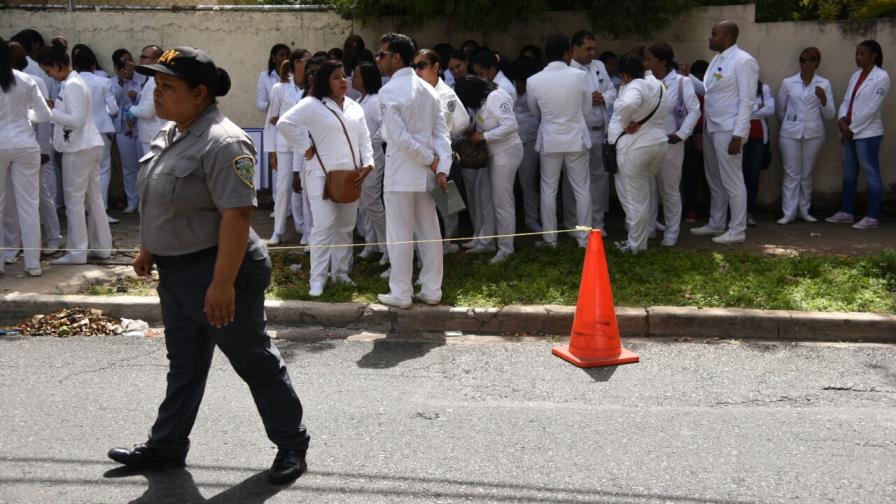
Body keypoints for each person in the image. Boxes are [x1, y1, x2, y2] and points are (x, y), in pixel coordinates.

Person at [106, 47, 309, 484]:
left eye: (168, 86)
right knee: (184, 364)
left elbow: (237, 215)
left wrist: (222, 283)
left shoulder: (223, 141)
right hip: (177, 274)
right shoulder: (172, 132)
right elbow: (160, 197)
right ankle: (167, 445)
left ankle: (292, 444)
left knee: (253, 360)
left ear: (199, 93)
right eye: (156, 85)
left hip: (220, 270)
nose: (157, 94)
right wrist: (148, 247)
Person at [277, 60, 373, 297]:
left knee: (345, 227)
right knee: (323, 226)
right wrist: (304, 146)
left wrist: (368, 163)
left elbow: (364, 138)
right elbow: (284, 123)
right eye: (336, 77)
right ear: (325, 81)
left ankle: (341, 274)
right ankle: (317, 280)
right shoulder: (312, 104)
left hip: (351, 176)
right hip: (320, 175)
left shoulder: (355, 107)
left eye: (344, 76)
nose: (343, 81)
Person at [374, 32, 452, 309]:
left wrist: (432, 161)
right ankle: (431, 290)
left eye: (381, 54)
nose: (378, 59)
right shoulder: (429, 89)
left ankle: (401, 292)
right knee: (430, 233)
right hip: (427, 175)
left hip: (402, 174)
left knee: (400, 235)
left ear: (396, 58)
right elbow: (442, 135)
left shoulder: (389, 91)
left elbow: (399, 138)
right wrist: (441, 167)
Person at [38, 39, 113, 265]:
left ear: (57, 64)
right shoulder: (73, 82)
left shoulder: (73, 84)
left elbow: (77, 120)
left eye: (48, 70)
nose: (49, 75)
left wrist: (50, 112)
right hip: (86, 145)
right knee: (93, 199)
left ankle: (77, 252)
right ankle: (101, 247)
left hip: (80, 148)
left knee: (74, 201)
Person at [691, 20, 758, 245]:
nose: (710, 38)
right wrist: (687, 77)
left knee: (733, 180)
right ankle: (717, 223)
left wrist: (739, 135)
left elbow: (747, 100)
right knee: (715, 179)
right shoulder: (717, 59)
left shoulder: (744, 60)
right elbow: (708, 91)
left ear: (727, 37)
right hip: (711, 127)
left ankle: (737, 229)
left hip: (729, 130)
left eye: (714, 34)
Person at [526, 35, 592, 249]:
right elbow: (587, 109)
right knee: (581, 189)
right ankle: (584, 239)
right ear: (567, 53)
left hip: (550, 139)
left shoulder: (533, 80)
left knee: (548, 189)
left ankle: (550, 239)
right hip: (576, 138)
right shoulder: (580, 76)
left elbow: (534, 111)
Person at [0, 37, 53, 277]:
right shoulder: (25, 79)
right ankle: (33, 263)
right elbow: (45, 115)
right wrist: (24, 116)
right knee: (29, 206)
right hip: (25, 143)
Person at [455, 75, 522, 264]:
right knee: (483, 195)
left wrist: (484, 136)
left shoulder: (496, 96)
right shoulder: (483, 101)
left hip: (506, 152)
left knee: (502, 202)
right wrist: (474, 130)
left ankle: (506, 248)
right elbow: (483, 122)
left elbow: (511, 125)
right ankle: (486, 241)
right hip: (491, 154)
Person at [607, 53, 670, 254]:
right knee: (641, 197)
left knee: (633, 199)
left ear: (625, 75)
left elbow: (628, 104)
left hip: (636, 147)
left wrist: (625, 123)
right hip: (657, 142)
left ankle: (635, 246)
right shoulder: (658, 84)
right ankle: (638, 242)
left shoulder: (635, 85)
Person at [827, 40, 890, 230]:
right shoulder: (856, 75)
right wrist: (841, 120)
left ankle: (872, 217)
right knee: (849, 173)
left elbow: (872, 108)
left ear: (874, 56)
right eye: (857, 54)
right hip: (848, 130)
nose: (858, 57)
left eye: (862, 54)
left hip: (867, 133)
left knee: (871, 173)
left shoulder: (881, 77)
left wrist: (851, 129)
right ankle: (847, 212)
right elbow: (847, 100)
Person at [413, 49, 470, 255]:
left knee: (447, 203)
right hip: (420, 156)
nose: (417, 71)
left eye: (422, 66)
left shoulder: (446, 94)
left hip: (441, 155)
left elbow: (461, 122)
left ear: (436, 67)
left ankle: (448, 241)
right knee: (424, 205)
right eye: (414, 67)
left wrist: (444, 142)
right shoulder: (416, 91)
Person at [644, 43, 701, 247]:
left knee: (669, 189)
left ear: (662, 62)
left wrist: (682, 134)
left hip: (671, 142)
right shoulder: (646, 80)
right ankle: (649, 228)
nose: (646, 63)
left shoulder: (681, 82)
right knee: (648, 188)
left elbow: (695, 110)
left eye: (649, 59)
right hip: (647, 142)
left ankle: (671, 232)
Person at [776, 48, 835, 225]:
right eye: (803, 59)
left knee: (807, 173)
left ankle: (804, 210)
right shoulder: (788, 82)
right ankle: (789, 212)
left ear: (817, 63)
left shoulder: (824, 84)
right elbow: (780, 109)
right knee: (791, 173)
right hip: (790, 134)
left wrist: (823, 100)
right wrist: (790, 124)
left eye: (811, 60)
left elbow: (830, 114)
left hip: (814, 134)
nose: (807, 63)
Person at [567, 30, 616, 235]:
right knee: (575, 181)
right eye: (588, 49)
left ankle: (597, 223)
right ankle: (574, 224)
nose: (592, 53)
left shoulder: (599, 66)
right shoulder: (568, 71)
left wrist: (603, 98)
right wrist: (588, 100)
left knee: (599, 179)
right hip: (579, 132)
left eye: (594, 49)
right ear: (575, 49)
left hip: (600, 131)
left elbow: (612, 90)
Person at [73, 46, 119, 224]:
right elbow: (113, 109)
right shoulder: (103, 82)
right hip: (101, 129)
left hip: (79, 130)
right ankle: (101, 211)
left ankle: (84, 210)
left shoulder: (70, 82)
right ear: (93, 66)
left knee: (81, 171)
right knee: (103, 170)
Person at [266, 55, 305, 246]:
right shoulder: (279, 88)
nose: (305, 64)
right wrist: (271, 151)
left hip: (305, 143)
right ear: (294, 64)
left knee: (303, 188)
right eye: (302, 60)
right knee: (283, 187)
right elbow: (271, 119)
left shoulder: (310, 86)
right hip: (285, 144)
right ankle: (278, 231)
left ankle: (304, 229)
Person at [353, 61, 388, 262]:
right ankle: (371, 243)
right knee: (364, 204)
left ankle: (387, 248)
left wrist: (371, 143)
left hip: (373, 157)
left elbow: (385, 126)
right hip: (360, 159)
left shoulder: (375, 101)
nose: (353, 78)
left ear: (366, 78)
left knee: (373, 203)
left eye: (357, 75)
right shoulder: (359, 100)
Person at [509, 57, 542, 233]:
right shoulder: (507, 88)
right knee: (506, 185)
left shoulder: (535, 89)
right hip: (509, 141)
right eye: (519, 82)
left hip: (529, 140)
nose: (521, 86)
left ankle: (531, 220)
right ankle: (509, 223)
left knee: (528, 182)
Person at [111, 48, 142, 215]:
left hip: (140, 127)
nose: (127, 64)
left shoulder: (142, 78)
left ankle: (144, 202)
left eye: (129, 60)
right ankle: (132, 201)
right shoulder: (112, 82)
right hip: (123, 128)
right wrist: (121, 84)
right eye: (123, 62)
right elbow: (112, 104)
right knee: (128, 167)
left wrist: (136, 95)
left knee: (144, 165)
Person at [130, 45, 165, 193]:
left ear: (156, 60)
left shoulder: (155, 81)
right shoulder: (151, 79)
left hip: (153, 135)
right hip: (149, 135)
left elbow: (148, 111)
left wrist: (131, 110)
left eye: (144, 57)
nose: (140, 60)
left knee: (152, 177)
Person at [741, 80, 774, 227]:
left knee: (753, 175)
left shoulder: (763, 87)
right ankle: (737, 213)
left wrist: (746, 112)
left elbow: (770, 109)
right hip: (739, 136)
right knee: (739, 175)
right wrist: (757, 108)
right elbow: (733, 110)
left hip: (759, 139)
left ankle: (749, 213)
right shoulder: (737, 84)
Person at [257, 43, 290, 188]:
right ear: (273, 58)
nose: (285, 58)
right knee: (278, 166)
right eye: (281, 55)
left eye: (287, 55)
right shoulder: (265, 76)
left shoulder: (293, 77)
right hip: (275, 125)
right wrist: (274, 107)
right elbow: (260, 104)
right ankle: (278, 200)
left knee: (293, 167)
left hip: (291, 125)